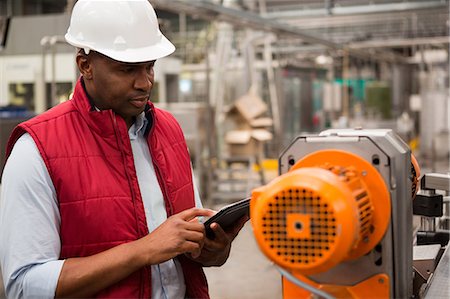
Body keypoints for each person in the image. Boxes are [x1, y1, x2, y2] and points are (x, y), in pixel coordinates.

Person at [0, 1, 248, 298]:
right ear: (85, 64)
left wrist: (213, 251)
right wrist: (143, 250)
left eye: (150, 66)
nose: (144, 83)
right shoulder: (36, 151)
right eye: (128, 69)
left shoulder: (169, 131)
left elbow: (185, 244)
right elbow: (24, 285)